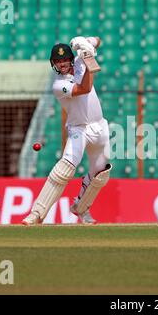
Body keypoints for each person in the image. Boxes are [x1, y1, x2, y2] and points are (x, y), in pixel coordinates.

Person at [22, 37, 111, 225]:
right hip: (79, 129)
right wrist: (89, 62)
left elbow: (99, 41)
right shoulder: (58, 85)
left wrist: (87, 43)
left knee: (100, 174)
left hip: (99, 127)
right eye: (57, 61)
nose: (61, 64)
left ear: (70, 59)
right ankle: (36, 213)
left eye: (64, 60)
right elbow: (85, 88)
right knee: (65, 169)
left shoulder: (79, 61)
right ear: (53, 64)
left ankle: (81, 208)